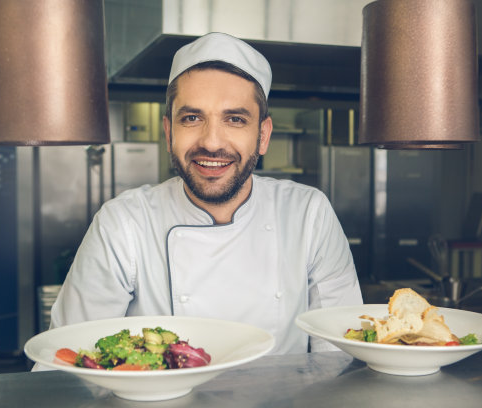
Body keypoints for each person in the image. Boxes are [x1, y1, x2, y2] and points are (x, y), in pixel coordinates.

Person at [48, 32, 362, 354]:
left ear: (263, 135)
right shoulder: (124, 223)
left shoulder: (308, 214)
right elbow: (68, 361)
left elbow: (339, 355)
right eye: (192, 118)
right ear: (169, 132)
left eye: (235, 119)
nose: (211, 142)